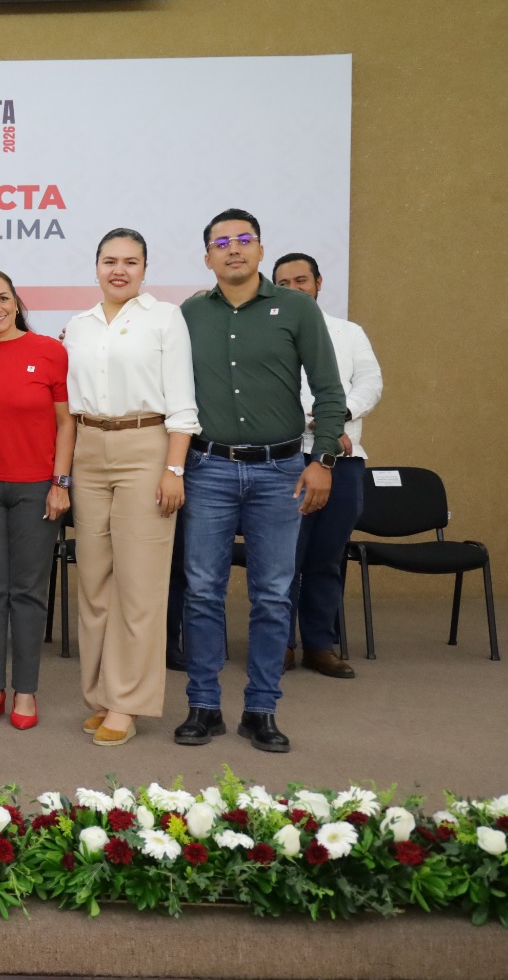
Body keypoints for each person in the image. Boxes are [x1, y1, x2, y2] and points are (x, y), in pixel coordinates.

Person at [174, 209, 346, 754]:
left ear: (260, 249)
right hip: (208, 469)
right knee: (203, 591)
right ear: (207, 257)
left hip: (280, 473)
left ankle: (261, 710)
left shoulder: (296, 308)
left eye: (244, 239)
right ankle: (203, 706)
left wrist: (322, 460)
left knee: (272, 595)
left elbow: (329, 391)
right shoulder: (188, 315)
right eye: (221, 242)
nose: (234, 248)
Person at [62, 230, 199, 746]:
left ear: (145, 268)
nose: (119, 270)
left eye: (130, 261)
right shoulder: (78, 326)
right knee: (94, 581)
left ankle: (127, 702)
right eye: (109, 261)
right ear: (96, 266)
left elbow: (182, 400)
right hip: (89, 449)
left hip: (146, 447)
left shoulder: (165, 318)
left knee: (138, 585)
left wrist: (174, 469)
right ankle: (100, 696)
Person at [0, 269, 72, 732]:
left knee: (27, 591)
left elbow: (66, 423)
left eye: (3, 298)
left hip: (37, 488)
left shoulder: (49, 351)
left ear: (17, 302)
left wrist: (61, 482)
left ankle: (25, 689)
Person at [274, 252, 383, 679]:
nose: (294, 289)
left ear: (318, 283)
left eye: (301, 280)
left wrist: (336, 418)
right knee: (285, 558)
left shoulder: (348, 333)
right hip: (286, 457)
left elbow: (370, 383)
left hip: (342, 460)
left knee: (327, 556)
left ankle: (320, 644)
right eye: (283, 283)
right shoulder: (268, 333)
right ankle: (280, 644)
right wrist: (314, 421)